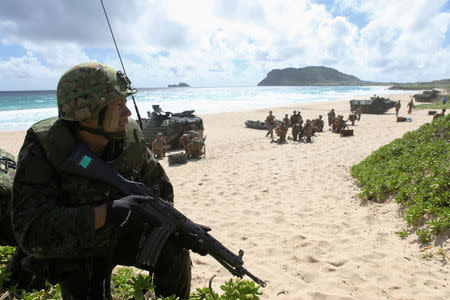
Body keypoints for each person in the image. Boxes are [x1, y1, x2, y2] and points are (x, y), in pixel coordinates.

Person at [11, 62, 192, 299]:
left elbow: (161, 191)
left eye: (126, 103)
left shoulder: (129, 139)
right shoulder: (45, 148)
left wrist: (172, 225)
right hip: (74, 249)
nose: (127, 113)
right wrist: (105, 213)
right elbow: (30, 232)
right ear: (86, 114)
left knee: (175, 246)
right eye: (118, 105)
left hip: (121, 236)